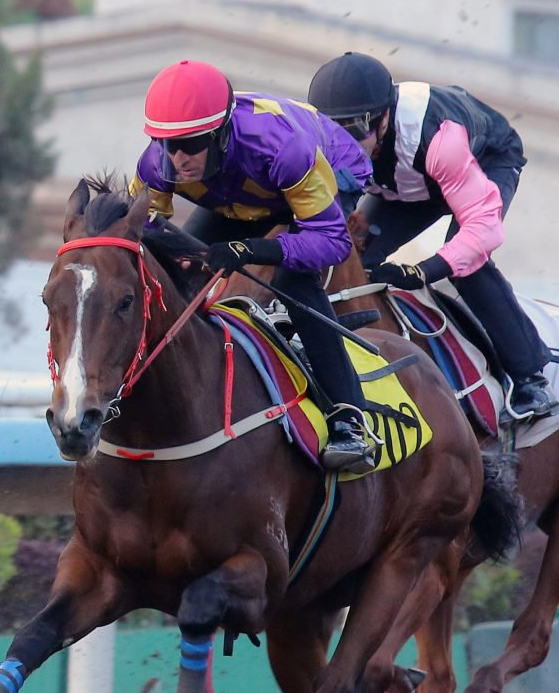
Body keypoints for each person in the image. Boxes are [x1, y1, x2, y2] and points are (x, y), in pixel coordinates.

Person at [132, 59, 377, 472]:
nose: (178, 159)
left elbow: (332, 242)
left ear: (220, 133)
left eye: (191, 143)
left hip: (326, 168)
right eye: (167, 144)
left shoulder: (283, 147)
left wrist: (252, 250)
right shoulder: (157, 164)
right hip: (240, 189)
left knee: (295, 281)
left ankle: (349, 420)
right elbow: (141, 232)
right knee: (182, 275)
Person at [307, 51, 557, 420]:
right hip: (407, 183)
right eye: (333, 129)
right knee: (351, 259)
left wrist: (422, 271)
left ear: (385, 117)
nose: (344, 142)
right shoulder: (335, 138)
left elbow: (482, 230)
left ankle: (530, 378)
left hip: (482, 162)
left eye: (356, 128)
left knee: (466, 267)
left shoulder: (441, 140)